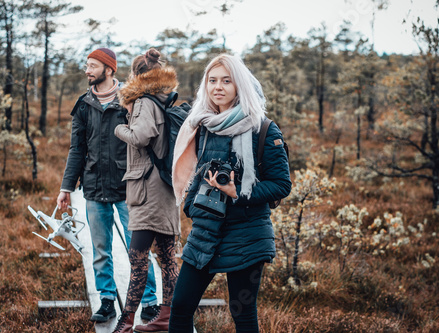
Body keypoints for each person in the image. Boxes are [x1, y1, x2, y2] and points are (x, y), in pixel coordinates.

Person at [169, 54, 291, 332]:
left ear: (240, 86)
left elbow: (282, 184)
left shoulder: (262, 128)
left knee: (242, 313)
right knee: (180, 309)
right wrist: (192, 204)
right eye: (212, 81)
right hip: (206, 231)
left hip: (247, 233)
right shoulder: (203, 125)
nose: (218, 87)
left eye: (227, 80)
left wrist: (238, 192)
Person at [56, 47, 159, 323]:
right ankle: (106, 300)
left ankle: (150, 301)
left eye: (92, 65)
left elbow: (146, 138)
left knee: (137, 247)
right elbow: (76, 149)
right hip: (93, 188)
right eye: (86, 65)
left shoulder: (131, 99)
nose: (87, 70)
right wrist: (66, 187)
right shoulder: (83, 105)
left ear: (109, 69)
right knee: (101, 249)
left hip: (129, 188)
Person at [112, 48, 180, 333]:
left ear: (135, 76)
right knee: (167, 258)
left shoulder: (142, 102)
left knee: (137, 258)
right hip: (165, 189)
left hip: (147, 191)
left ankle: (125, 322)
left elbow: (140, 136)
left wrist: (119, 129)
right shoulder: (162, 100)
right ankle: (167, 317)